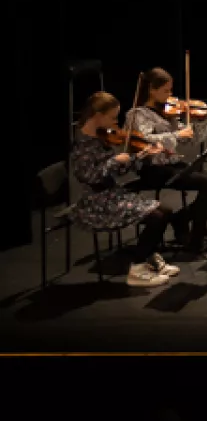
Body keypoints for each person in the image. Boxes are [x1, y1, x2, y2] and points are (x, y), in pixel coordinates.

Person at [71, 91, 185, 285]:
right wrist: (114, 161)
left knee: (164, 210)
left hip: (112, 194)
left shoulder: (101, 137)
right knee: (156, 217)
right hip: (96, 202)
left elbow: (119, 171)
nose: (116, 123)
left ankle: (148, 256)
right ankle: (137, 268)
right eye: (113, 118)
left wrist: (140, 156)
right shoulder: (82, 144)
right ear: (98, 115)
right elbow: (89, 177)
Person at [124, 68, 207, 257]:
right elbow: (143, 140)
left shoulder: (168, 112)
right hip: (152, 167)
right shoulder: (137, 115)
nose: (170, 96)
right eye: (166, 91)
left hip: (171, 165)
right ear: (152, 90)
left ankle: (182, 219)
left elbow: (191, 139)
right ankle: (195, 238)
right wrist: (176, 134)